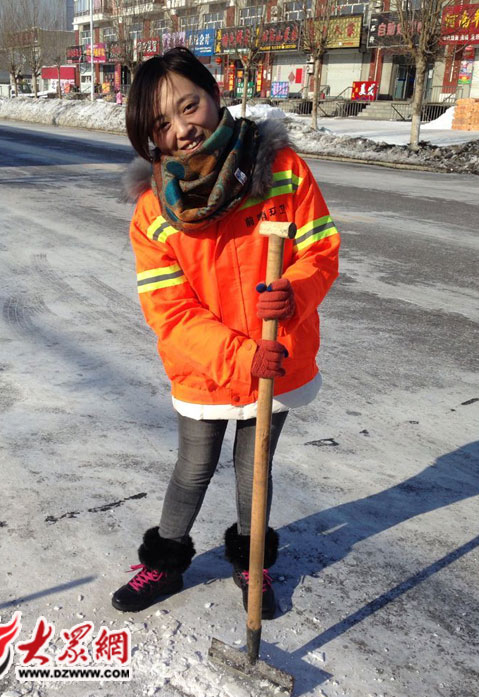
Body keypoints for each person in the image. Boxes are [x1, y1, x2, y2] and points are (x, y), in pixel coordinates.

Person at [113, 47, 340, 618]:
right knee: (193, 467)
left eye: (189, 106)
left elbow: (320, 250)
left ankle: (251, 561)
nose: (182, 128)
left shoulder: (281, 169)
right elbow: (169, 310)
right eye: (162, 123)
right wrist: (240, 358)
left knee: (254, 467)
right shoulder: (154, 212)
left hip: (278, 350)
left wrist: (295, 293)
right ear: (149, 135)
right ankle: (165, 562)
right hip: (207, 366)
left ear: (214, 95)